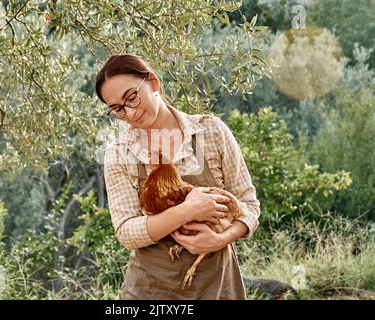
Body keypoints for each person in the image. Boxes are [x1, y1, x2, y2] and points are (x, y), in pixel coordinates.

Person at [97, 53, 260, 299]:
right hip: (150, 291)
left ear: (153, 82)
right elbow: (126, 231)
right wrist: (189, 210)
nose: (129, 113)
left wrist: (221, 239)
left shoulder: (211, 131)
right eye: (118, 109)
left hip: (216, 287)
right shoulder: (119, 153)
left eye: (131, 97)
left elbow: (248, 204)